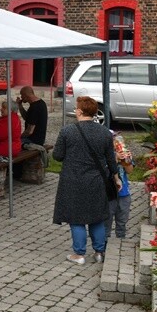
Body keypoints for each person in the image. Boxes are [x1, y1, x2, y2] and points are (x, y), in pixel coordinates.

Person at [52, 96, 118, 265]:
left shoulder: (67, 131)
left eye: (76, 108)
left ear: (80, 112)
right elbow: (111, 160)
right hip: (97, 180)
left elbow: (57, 156)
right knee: (97, 217)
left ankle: (79, 254)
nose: (75, 110)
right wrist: (116, 178)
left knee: (76, 218)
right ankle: (99, 252)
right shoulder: (104, 132)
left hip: (73, 180)